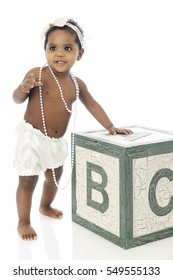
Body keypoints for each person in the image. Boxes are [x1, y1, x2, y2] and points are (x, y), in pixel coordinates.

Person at [13, 17, 133, 241]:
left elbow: (93, 105)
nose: (59, 54)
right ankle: (23, 221)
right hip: (32, 138)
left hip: (56, 143)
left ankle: (45, 205)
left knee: (54, 176)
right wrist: (22, 88)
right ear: (45, 51)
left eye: (67, 48)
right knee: (27, 179)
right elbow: (16, 99)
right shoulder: (37, 74)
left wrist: (110, 126)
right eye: (53, 48)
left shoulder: (77, 84)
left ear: (79, 54)